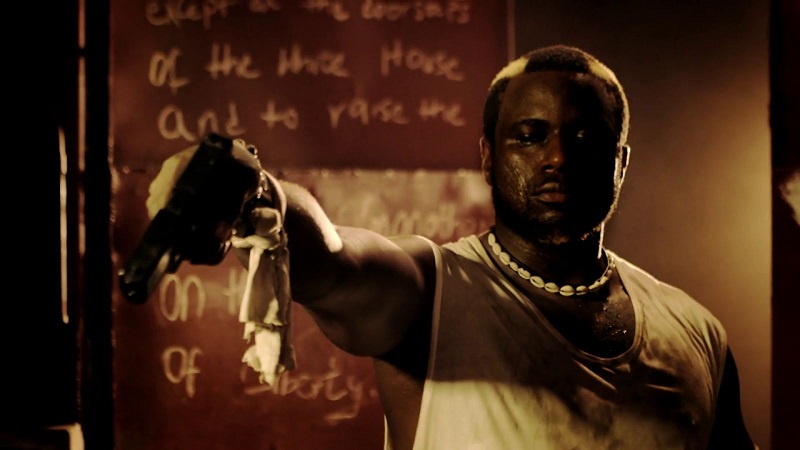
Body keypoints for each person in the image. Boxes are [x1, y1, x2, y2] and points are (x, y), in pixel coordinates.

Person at [151, 45, 757, 450]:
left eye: (583, 138)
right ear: (488, 158)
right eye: (529, 136)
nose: (556, 157)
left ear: (619, 164)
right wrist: (260, 193)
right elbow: (332, 262)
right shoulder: (432, 293)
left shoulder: (696, 332)